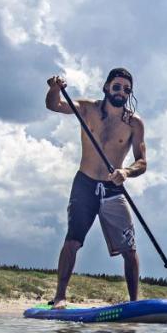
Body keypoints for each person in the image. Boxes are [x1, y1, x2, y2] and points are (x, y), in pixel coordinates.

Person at [46, 69, 147, 308]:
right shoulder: (88, 108)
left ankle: (134, 302)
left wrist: (126, 172)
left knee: (129, 249)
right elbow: (55, 105)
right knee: (73, 240)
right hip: (85, 183)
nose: (121, 92)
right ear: (106, 87)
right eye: (117, 87)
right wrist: (54, 89)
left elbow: (142, 161)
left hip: (113, 188)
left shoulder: (134, 122)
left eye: (126, 89)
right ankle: (60, 297)